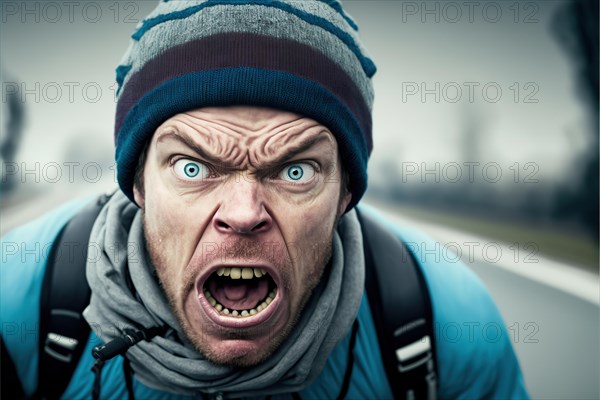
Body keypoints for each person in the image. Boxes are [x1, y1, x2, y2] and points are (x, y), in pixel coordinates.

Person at [1, 1, 529, 398]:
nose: (243, 213)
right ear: (137, 183)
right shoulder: (16, 307)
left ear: (346, 191)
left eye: (295, 170)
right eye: (193, 167)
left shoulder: (444, 327)